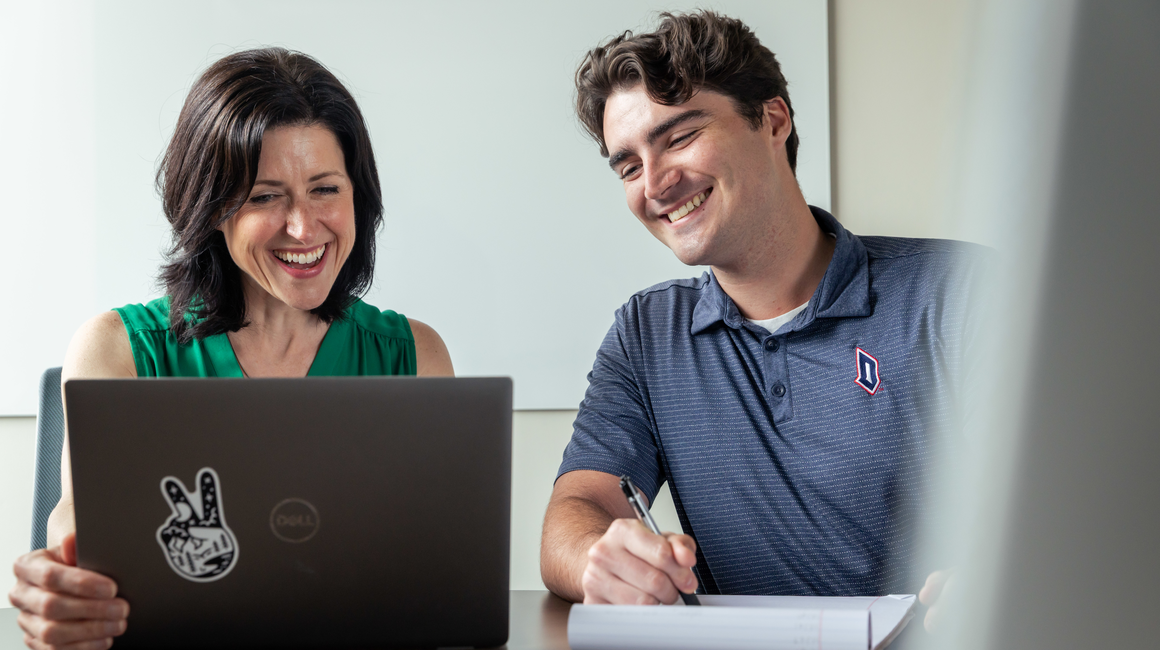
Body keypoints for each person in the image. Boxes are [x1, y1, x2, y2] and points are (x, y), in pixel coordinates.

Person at [539, 10, 985, 620]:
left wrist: (1011, 572)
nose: (656, 183)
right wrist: (599, 559)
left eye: (679, 137)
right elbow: (573, 512)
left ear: (772, 120)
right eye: (629, 166)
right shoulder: (646, 335)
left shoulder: (959, 293)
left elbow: (1079, 495)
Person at [8, 48, 453, 649]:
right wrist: (60, 587)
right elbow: (77, 527)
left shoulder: (414, 357)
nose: (302, 226)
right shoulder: (119, 350)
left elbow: (441, 575)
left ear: (358, 196)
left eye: (325, 188)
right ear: (212, 208)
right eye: (265, 196)